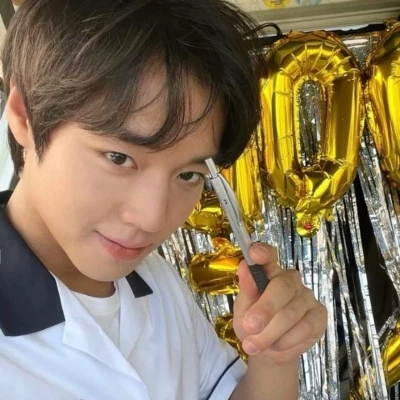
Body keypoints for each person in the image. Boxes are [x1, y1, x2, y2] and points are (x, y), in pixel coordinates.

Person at [0, 1, 327, 399]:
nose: (152, 219)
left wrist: (273, 355)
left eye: (188, 175)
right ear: (24, 115)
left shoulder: (156, 281)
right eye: (118, 158)